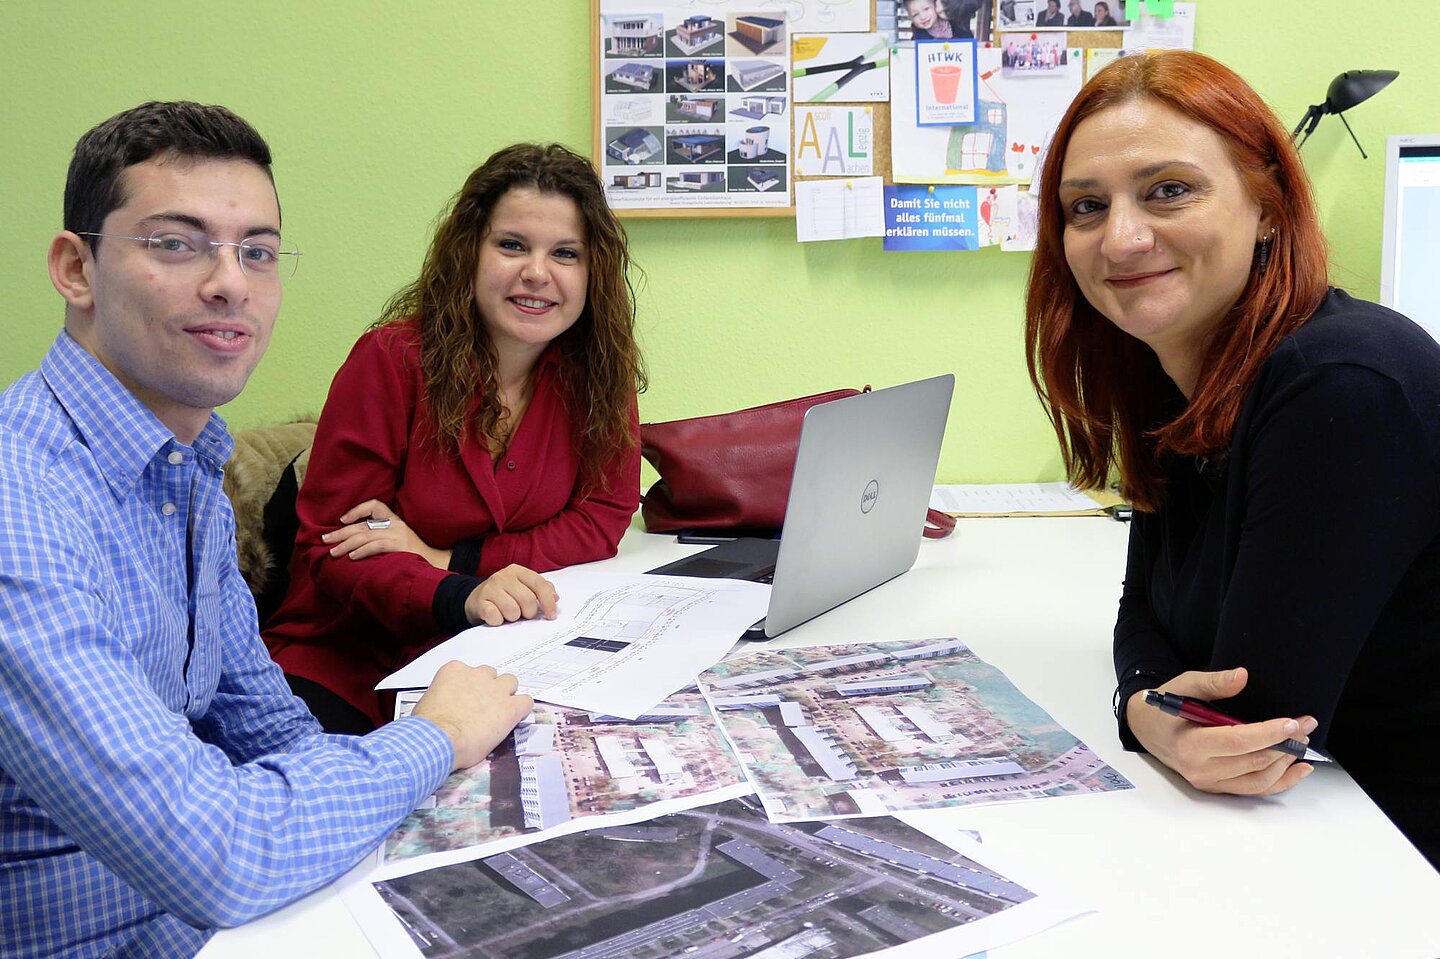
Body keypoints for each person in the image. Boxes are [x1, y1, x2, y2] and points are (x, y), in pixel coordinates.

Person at [0, 101, 534, 957]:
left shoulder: (187, 471)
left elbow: (267, 726)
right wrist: (431, 737)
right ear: (76, 267)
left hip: (235, 918)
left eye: (256, 250)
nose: (231, 282)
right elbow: (220, 851)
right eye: (176, 242)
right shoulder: (21, 505)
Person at [1024, 50, 1440, 868]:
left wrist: (1157, 701)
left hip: (1398, 855)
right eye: (1085, 206)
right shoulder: (1182, 382)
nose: (1122, 235)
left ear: (1269, 206)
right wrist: (1149, 704)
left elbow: (1253, 724)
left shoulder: (1340, 384)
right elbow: (1143, 610)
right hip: (1319, 823)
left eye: (1169, 190)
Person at [263, 143, 646, 732]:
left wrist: (452, 561)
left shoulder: (599, 373)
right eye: (512, 245)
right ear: (469, 250)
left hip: (505, 652)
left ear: (592, 272)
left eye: (565, 253)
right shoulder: (391, 360)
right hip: (347, 657)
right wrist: (457, 593)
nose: (537, 273)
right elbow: (335, 547)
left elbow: (602, 518)